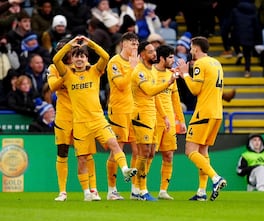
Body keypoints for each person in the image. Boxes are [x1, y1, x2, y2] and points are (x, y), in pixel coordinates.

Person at [53, 35, 137, 201]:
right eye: (76, 56)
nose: (79, 59)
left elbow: (105, 56)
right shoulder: (68, 74)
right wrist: (70, 44)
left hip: (98, 120)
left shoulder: (95, 71)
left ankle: (125, 169)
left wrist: (90, 43)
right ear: (72, 59)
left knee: (113, 143)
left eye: (82, 56)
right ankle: (87, 193)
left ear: (87, 59)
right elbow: (56, 60)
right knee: (82, 159)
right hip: (80, 124)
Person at [48, 38, 100, 201]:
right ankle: (62, 191)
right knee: (62, 151)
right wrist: (68, 75)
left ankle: (93, 189)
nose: (64, 53)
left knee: (86, 153)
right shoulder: (55, 68)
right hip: (64, 115)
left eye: (67, 50)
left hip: (82, 115)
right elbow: (53, 86)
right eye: (60, 50)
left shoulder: (84, 67)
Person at [177, 36, 227, 201]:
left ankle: (215, 178)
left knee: (190, 150)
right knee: (203, 151)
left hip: (203, 112)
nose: (190, 51)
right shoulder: (216, 63)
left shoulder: (200, 63)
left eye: (191, 48)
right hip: (217, 113)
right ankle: (201, 192)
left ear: (196, 48)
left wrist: (185, 74)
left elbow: (195, 89)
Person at [130, 40, 176, 201]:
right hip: (141, 115)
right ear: (142, 54)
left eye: (154, 51)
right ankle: (142, 190)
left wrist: (164, 116)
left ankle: (136, 188)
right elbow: (150, 91)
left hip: (152, 117)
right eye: (150, 52)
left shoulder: (153, 72)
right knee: (144, 153)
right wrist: (168, 83)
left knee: (150, 153)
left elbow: (155, 97)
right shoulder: (139, 72)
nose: (154, 54)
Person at [106, 32, 139, 200]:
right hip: (118, 111)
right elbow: (119, 85)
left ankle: (134, 190)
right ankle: (112, 190)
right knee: (116, 149)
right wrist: (132, 68)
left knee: (137, 150)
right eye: (132, 44)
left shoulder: (138, 63)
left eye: (136, 44)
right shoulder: (114, 62)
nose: (135, 47)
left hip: (134, 111)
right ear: (124, 44)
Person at [153, 44, 186, 200]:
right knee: (148, 154)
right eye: (171, 57)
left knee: (169, 155)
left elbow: (175, 99)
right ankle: (140, 188)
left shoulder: (171, 75)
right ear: (161, 58)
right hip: (153, 119)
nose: (173, 60)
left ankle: (163, 190)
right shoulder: (150, 73)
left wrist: (181, 120)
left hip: (170, 121)